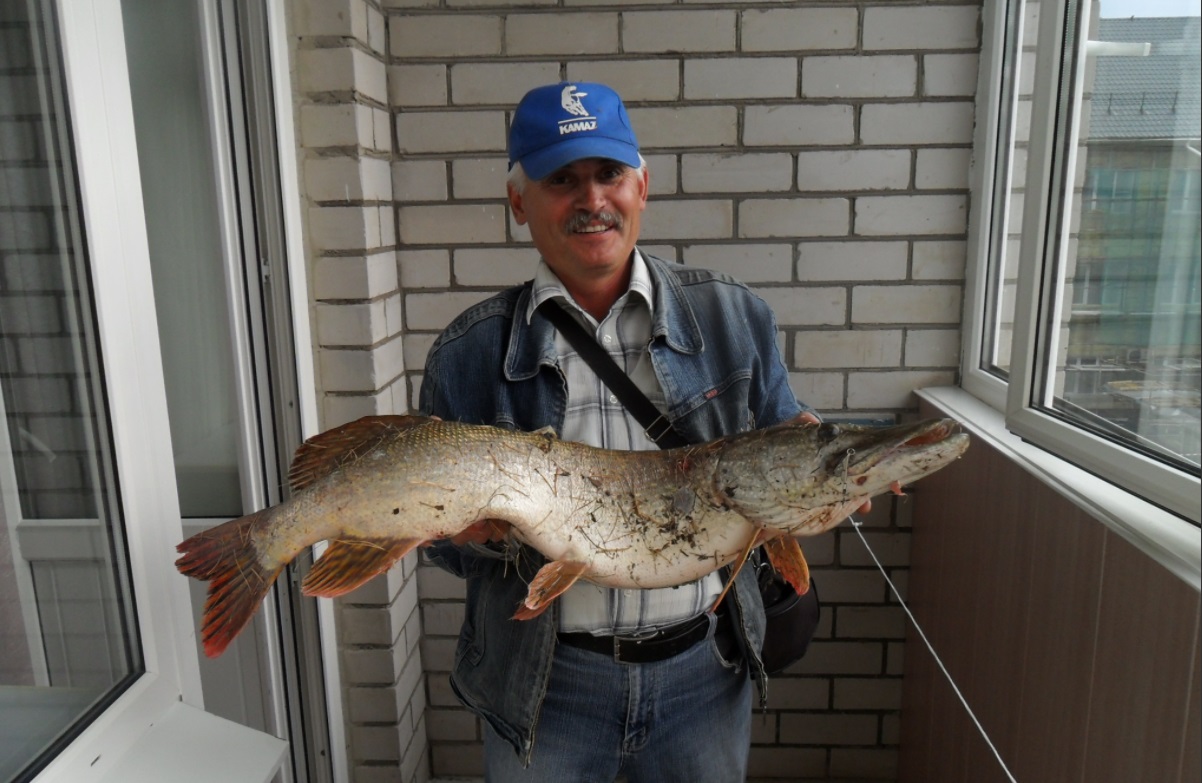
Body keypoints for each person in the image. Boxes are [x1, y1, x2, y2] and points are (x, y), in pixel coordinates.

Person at [419, 82, 856, 782]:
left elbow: (782, 465)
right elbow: (442, 549)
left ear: (642, 187)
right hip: (546, 689)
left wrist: (826, 484)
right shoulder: (467, 353)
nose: (592, 199)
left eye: (609, 174)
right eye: (562, 179)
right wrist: (474, 534)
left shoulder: (735, 317)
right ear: (518, 202)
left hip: (703, 678)